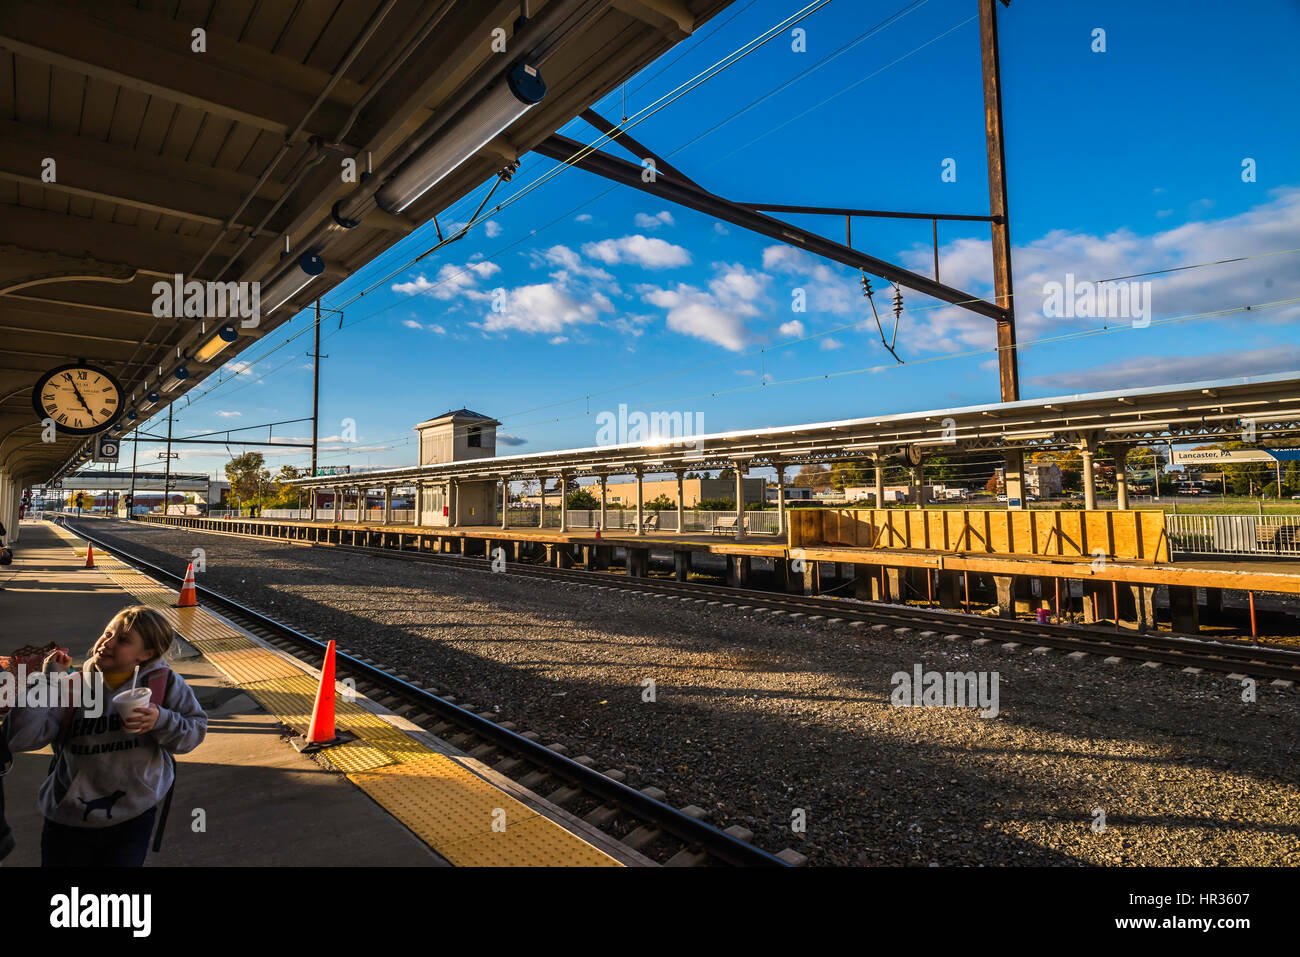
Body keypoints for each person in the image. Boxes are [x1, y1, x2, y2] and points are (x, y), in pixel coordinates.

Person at [3, 606, 207, 867]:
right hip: (69, 817)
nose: (107, 643)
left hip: (133, 815)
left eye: (122, 640)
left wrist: (162, 719)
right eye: (108, 633)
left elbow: (193, 733)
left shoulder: (163, 684)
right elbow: (19, 738)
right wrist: (47, 681)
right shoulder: (70, 686)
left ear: (147, 654)